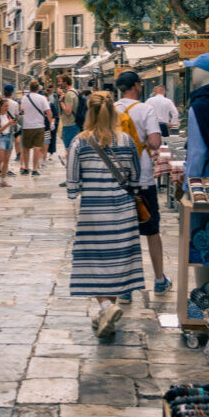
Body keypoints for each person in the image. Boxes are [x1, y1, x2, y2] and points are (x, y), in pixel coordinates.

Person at [66, 91, 146, 337]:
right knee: (115, 263)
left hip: (93, 211)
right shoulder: (126, 141)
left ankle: (105, 307)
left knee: (95, 263)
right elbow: (135, 176)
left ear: (88, 113)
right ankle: (107, 312)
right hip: (123, 211)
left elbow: (72, 185)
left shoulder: (79, 142)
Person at [114, 70, 171, 302]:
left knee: (124, 233)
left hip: (118, 178)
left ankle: (125, 289)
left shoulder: (112, 109)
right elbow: (155, 142)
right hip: (143, 177)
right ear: (136, 86)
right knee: (151, 229)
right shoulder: (145, 109)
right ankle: (159, 280)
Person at [20, 80, 53, 176]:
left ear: (29, 88)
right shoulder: (42, 98)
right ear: (38, 88)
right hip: (39, 126)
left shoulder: (24, 98)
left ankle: (26, 168)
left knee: (26, 148)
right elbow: (49, 112)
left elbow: (22, 111)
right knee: (37, 148)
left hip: (27, 126)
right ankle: (34, 169)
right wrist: (50, 123)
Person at [57, 74, 82, 151]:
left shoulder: (69, 94)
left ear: (65, 82)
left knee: (69, 150)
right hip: (74, 124)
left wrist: (61, 101)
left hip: (69, 125)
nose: (58, 83)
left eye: (60, 81)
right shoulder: (74, 91)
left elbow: (68, 111)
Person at [2, 84, 20, 176]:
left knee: (1, 149)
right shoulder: (15, 103)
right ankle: (6, 169)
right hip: (10, 127)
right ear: (12, 92)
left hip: (1, 127)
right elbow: (17, 116)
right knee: (8, 150)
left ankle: (2, 168)